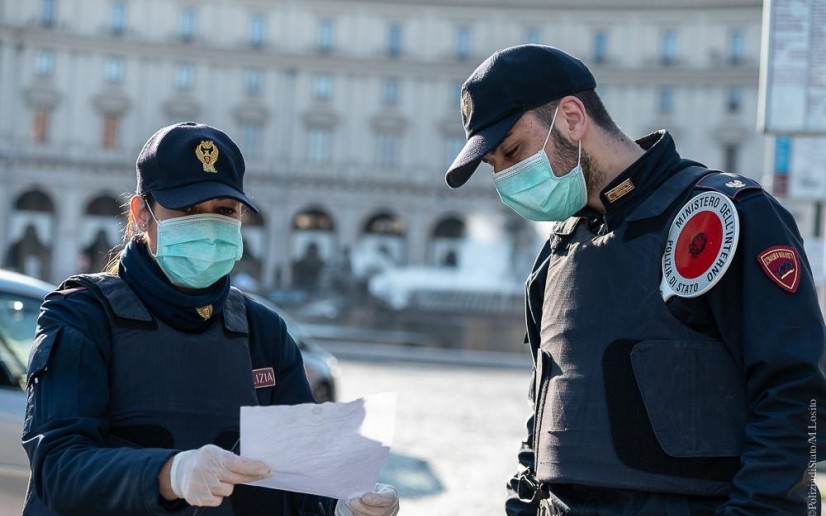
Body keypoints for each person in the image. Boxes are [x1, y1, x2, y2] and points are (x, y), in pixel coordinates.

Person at [444, 44, 826, 515]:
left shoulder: (726, 215)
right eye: (495, 166)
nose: (505, 177)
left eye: (513, 151)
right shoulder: (557, 253)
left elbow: (797, 398)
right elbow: (543, 421)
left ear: (571, 117)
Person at [22, 122, 400, 516]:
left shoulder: (262, 330)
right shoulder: (82, 313)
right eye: (186, 208)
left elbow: (303, 479)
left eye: (224, 211)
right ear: (140, 214)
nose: (208, 225)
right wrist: (169, 474)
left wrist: (343, 504)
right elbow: (58, 467)